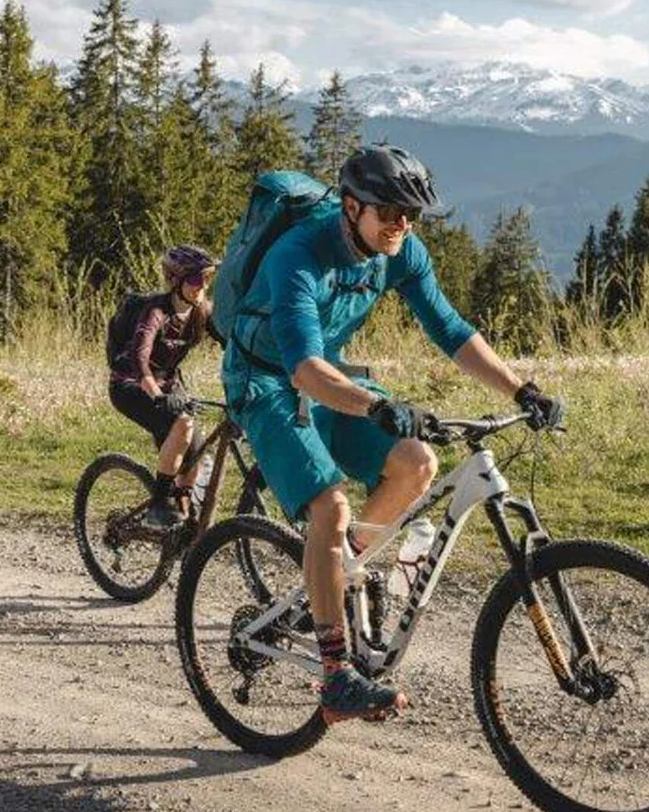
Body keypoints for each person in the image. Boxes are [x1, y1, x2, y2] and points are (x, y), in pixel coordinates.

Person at [221, 145, 565, 724]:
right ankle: (335, 678)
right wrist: (378, 406)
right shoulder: (298, 254)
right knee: (329, 506)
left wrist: (520, 390)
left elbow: (449, 328)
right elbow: (303, 371)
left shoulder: (399, 251)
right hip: (265, 380)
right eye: (391, 213)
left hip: (328, 375)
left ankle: (331, 575)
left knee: (417, 462)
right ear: (352, 207)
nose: (403, 226)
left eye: (412, 216)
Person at [107, 244, 217, 530]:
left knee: (196, 449)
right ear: (174, 281)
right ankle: (158, 504)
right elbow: (139, 357)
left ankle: (181, 514)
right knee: (182, 422)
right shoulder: (155, 311)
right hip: (130, 385)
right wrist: (156, 395)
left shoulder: (201, 311)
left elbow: (230, 339)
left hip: (168, 385)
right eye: (195, 279)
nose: (202, 286)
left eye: (208, 278)